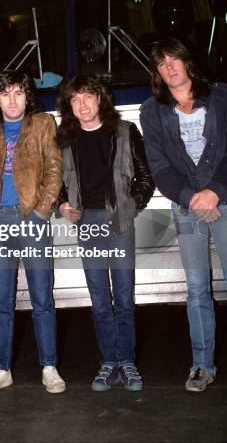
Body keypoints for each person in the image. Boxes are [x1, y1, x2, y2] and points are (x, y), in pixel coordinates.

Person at [140, 38, 227, 393]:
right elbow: (160, 167)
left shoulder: (223, 97)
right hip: (187, 206)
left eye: (173, 58)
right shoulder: (153, 111)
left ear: (186, 60)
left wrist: (217, 190)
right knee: (197, 289)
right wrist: (191, 197)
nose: (168, 66)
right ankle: (201, 366)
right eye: (161, 63)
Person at [0, 70, 66, 395]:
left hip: (32, 217)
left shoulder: (42, 125)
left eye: (19, 93)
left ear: (27, 97)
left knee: (42, 296)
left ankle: (49, 367)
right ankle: (0, 368)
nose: (12, 99)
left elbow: (54, 169)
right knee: (2, 300)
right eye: (6, 93)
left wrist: (41, 211)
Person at [56, 75, 154, 392]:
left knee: (124, 298)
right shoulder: (65, 140)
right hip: (87, 223)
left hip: (118, 222)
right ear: (69, 106)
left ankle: (127, 362)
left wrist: (131, 206)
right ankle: (108, 363)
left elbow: (145, 176)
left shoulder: (124, 132)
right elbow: (56, 181)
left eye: (87, 97)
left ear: (100, 98)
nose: (82, 105)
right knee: (100, 299)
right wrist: (61, 204)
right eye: (75, 99)